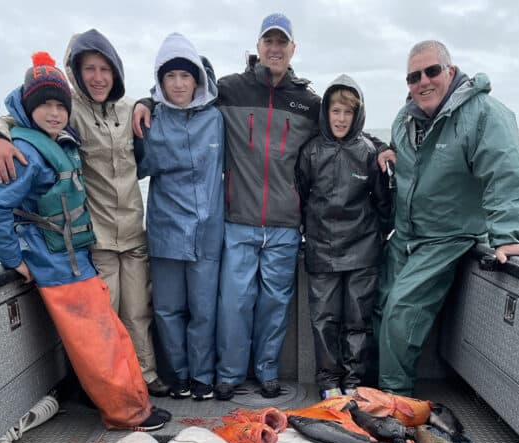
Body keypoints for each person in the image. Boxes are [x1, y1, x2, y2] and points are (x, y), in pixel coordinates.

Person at [0, 52, 167, 432]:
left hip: (76, 258)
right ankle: (126, 415)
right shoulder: (25, 150)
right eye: (44, 105)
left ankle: (133, 402)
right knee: (97, 342)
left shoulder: (60, 140)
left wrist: (147, 101)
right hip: (57, 264)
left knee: (107, 333)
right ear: (30, 108)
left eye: (59, 105)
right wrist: (14, 259)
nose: (54, 113)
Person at [135, 14, 321, 400]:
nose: (274, 48)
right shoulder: (230, 90)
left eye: (281, 42)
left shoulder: (307, 102)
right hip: (238, 220)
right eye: (268, 41)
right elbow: (181, 98)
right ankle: (230, 375)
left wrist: (380, 146)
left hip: (286, 223)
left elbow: (343, 126)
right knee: (233, 303)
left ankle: (267, 371)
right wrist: (143, 100)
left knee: (274, 304)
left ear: (292, 49)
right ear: (257, 46)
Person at [376, 40, 519, 397]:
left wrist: (506, 233)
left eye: (432, 71)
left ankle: (393, 405)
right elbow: (401, 163)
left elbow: (505, 173)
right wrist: (384, 151)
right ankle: (372, 394)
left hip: (446, 237)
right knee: (379, 303)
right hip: (404, 236)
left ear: (450, 72)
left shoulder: (484, 114)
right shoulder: (404, 119)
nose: (423, 81)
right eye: (413, 76)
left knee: (401, 310)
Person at [135, 33, 224, 400]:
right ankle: (179, 377)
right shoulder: (148, 119)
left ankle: (203, 376)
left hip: (207, 232)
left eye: (186, 76)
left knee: (203, 311)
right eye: (170, 76)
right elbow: (128, 166)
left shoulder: (217, 118)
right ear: (160, 80)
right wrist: (142, 101)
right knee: (169, 310)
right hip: (165, 230)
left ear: (198, 79)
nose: (178, 84)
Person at [297, 75, 392, 399]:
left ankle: (353, 382)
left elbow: (383, 201)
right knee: (324, 319)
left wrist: (380, 234)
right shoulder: (310, 152)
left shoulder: (368, 151)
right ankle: (328, 382)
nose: (340, 119)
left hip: (363, 249)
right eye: (335, 111)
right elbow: (302, 194)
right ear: (326, 112)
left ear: (357, 116)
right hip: (321, 249)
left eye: (347, 113)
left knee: (357, 319)